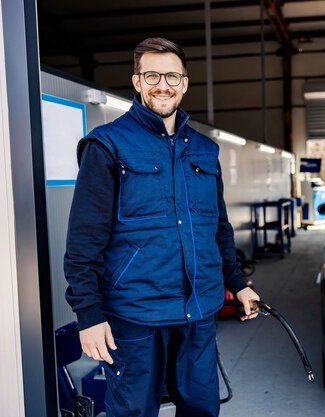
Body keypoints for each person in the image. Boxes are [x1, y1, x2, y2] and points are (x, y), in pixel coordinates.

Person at [63, 37, 260, 417]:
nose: (163, 85)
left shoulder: (204, 150)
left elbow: (217, 226)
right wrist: (88, 315)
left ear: (185, 83)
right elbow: (84, 240)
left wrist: (237, 284)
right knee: (134, 411)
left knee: (201, 407)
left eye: (172, 76)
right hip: (134, 313)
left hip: (198, 308)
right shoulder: (107, 145)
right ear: (137, 81)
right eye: (152, 75)